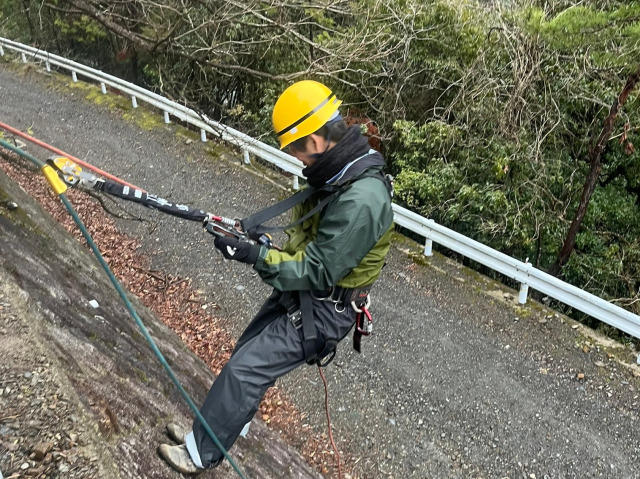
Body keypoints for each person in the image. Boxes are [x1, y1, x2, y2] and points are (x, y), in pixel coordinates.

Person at [158, 80, 394, 474]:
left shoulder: (362, 198)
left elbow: (319, 268)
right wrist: (263, 244)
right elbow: (311, 250)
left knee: (245, 370)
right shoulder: (340, 174)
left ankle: (200, 455)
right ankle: (212, 433)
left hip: (325, 307)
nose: (298, 160)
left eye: (296, 150)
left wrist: (257, 257)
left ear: (316, 140)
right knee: (245, 355)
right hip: (310, 295)